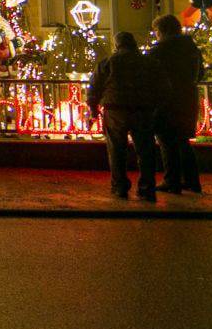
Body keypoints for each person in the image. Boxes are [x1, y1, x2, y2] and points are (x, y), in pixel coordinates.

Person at [88, 31, 165, 200]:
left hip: (115, 109)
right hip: (142, 109)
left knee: (116, 149)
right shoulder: (148, 62)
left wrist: (93, 108)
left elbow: (95, 86)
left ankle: (119, 186)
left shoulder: (108, 63)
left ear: (117, 45)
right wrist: (156, 106)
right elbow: (161, 86)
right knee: (145, 150)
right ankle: (146, 187)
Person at [149, 14, 205, 193]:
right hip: (188, 98)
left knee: (167, 141)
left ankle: (172, 180)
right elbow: (200, 74)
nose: (155, 35)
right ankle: (192, 180)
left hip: (166, 100)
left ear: (162, 31)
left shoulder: (160, 50)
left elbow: (150, 74)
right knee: (182, 141)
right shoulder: (191, 48)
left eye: (156, 31)